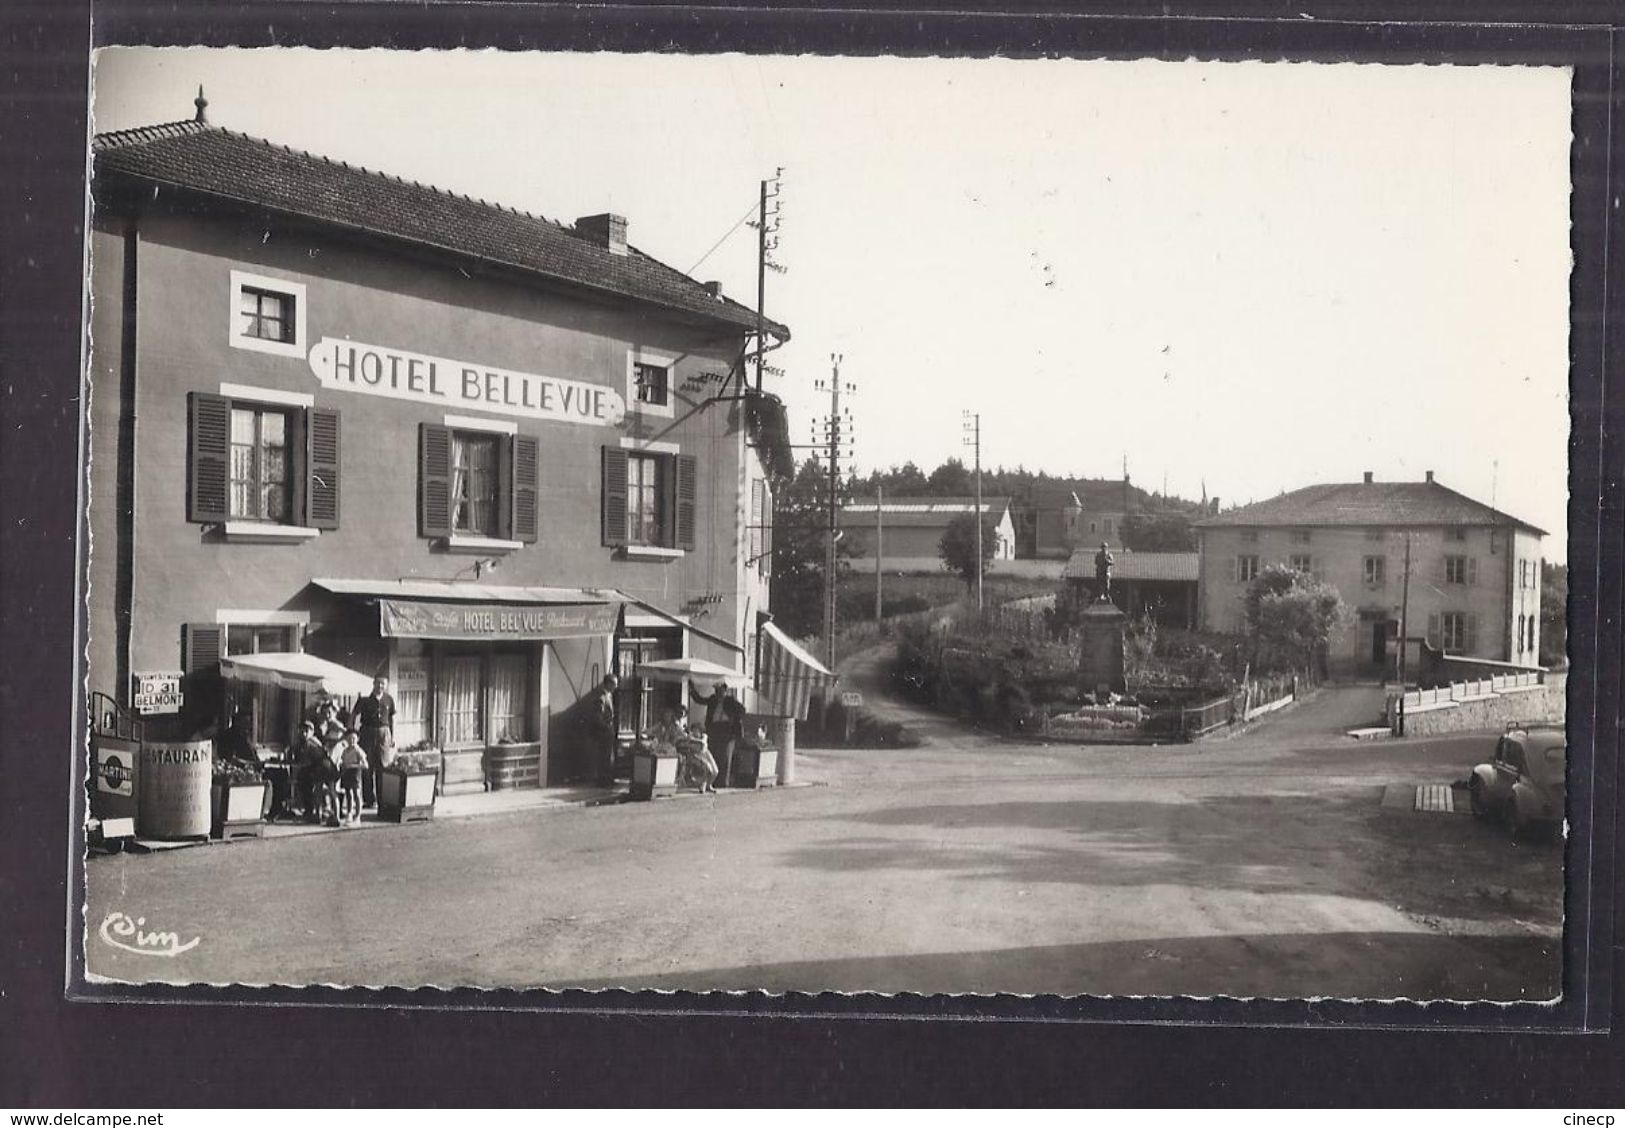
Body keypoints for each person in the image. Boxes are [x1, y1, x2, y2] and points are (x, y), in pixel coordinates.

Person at [353, 675, 397, 810]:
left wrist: (393, 737)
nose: (380, 686)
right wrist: (352, 732)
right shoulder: (365, 699)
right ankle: (369, 799)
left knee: (382, 767)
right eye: (378, 683)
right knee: (367, 766)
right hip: (367, 733)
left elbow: (392, 720)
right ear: (373, 683)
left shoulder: (389, 699)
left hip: (384, 734)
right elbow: (354, 714)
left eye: (383, 684)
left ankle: (382, 799)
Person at [691, 681, 737, 787]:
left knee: (724, 757)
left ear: (725, 690)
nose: (718, 693)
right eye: (716, 690)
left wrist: (732, 718)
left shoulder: (730, 701)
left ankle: (722, 782)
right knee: (713, 754)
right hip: (714, 730)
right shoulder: (712, 699)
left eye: (720, 690)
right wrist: (692, 689)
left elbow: (741, 710)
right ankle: (713, 781)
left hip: (725, 730)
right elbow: (700, 700)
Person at [589, 675, 619, 787]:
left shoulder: (609, 695)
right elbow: (598, 716)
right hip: (603, 733)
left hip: (608, 731)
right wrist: (606, 727)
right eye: (615, 684)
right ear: (609, 684)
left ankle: (607, 779)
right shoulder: (601, 697)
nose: (616, 687)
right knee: (604, 757)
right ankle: (603, 781)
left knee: (608, 756)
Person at [336, 728, 367, 826]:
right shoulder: (345, 751)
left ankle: (357, 816)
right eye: (349, 739)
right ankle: (349, 814)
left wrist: (353, 766)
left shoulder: (358, 751)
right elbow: (342, 761)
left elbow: (365, 765)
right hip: (347, 773)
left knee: (356, 794)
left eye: (353, 738)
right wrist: (342, 765)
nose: (351, 741)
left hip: (355, 773)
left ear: (357, 739)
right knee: (348, 794)